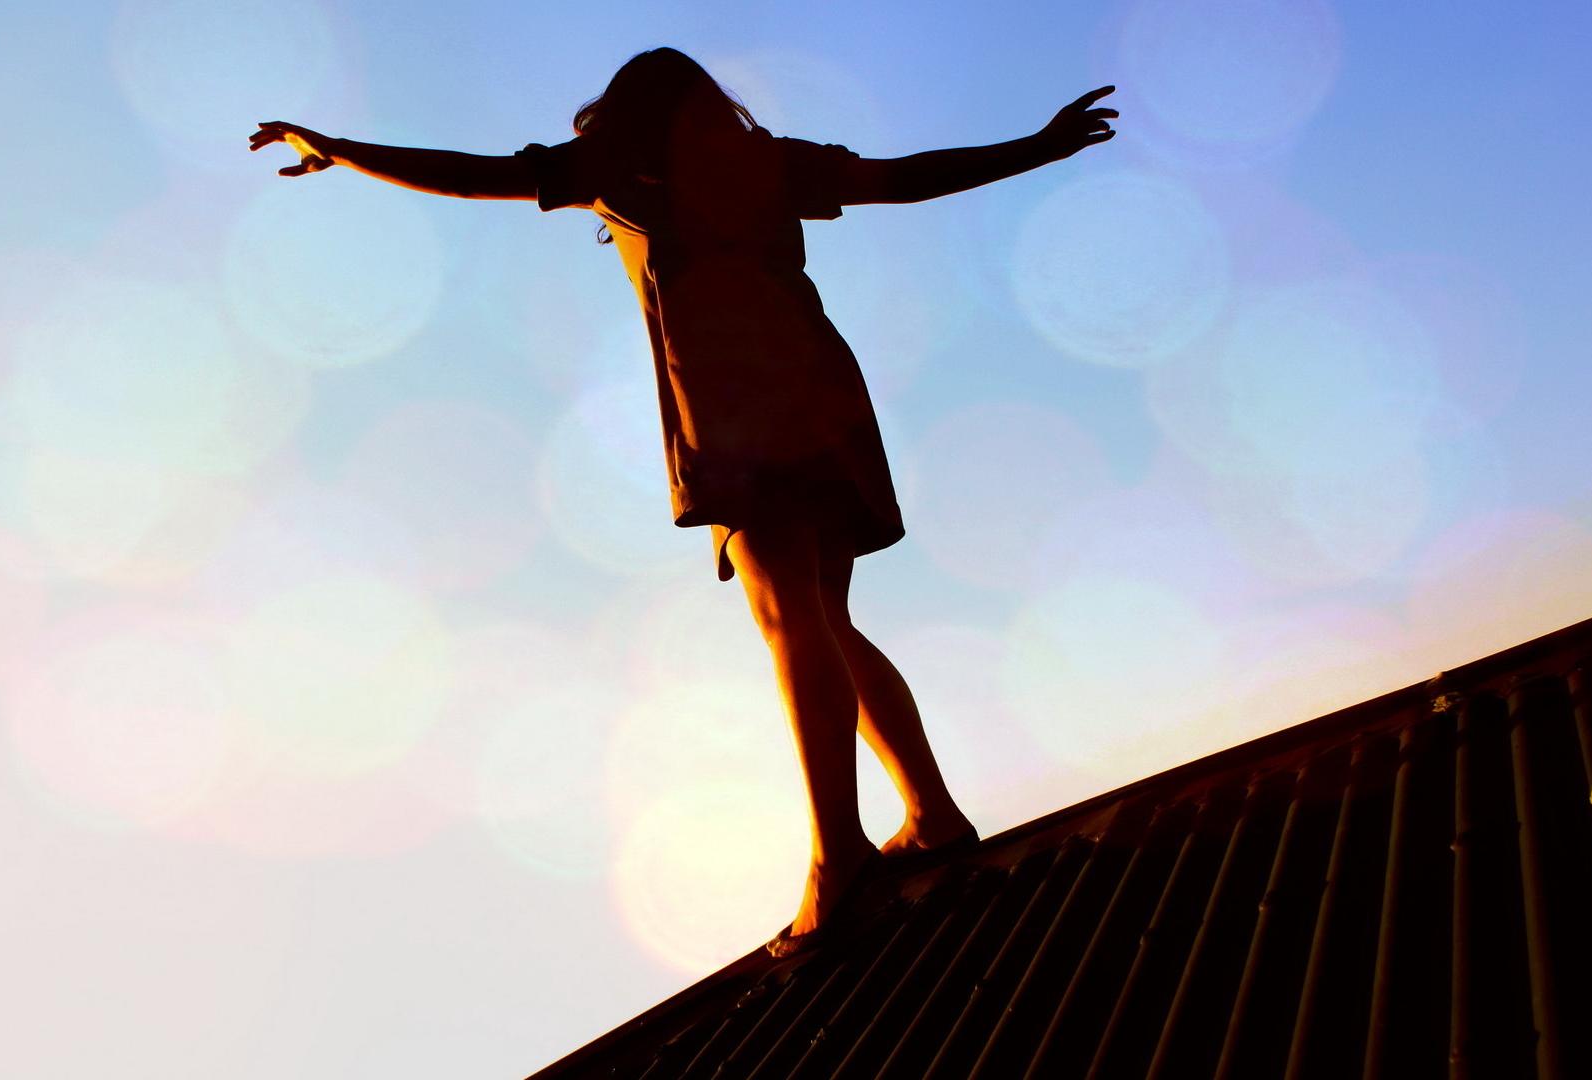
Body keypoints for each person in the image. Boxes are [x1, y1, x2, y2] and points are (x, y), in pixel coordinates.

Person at [249, 47, 1117, 958]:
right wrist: (1040, 146)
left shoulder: (620, 172)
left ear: (624, 114)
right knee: (823, 617)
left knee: (790, 618)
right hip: (822, 391)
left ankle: (840, 859)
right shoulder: (768, 163)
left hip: (739, 409)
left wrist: (339, 147)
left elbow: (471, 177)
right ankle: (930, 815)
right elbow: (899, 180)